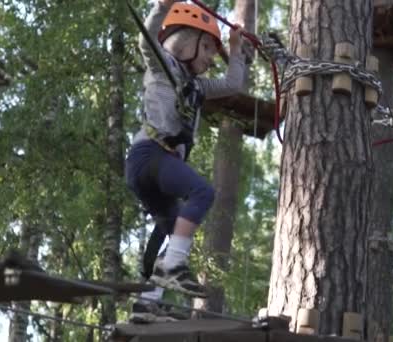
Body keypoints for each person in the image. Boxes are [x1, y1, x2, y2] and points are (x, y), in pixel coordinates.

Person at [125, 0, 246, 323]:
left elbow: (234, 84)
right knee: (202, 193)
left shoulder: (198, 87)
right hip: (148, 155)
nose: (209, 58)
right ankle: (174, 268)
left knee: (171, 229)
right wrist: (162, 6)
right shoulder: (160, 64)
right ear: (185, 40)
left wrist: (235, 48)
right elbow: (146, 38)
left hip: (153, 167)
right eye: (206, 47)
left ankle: (146, 305)